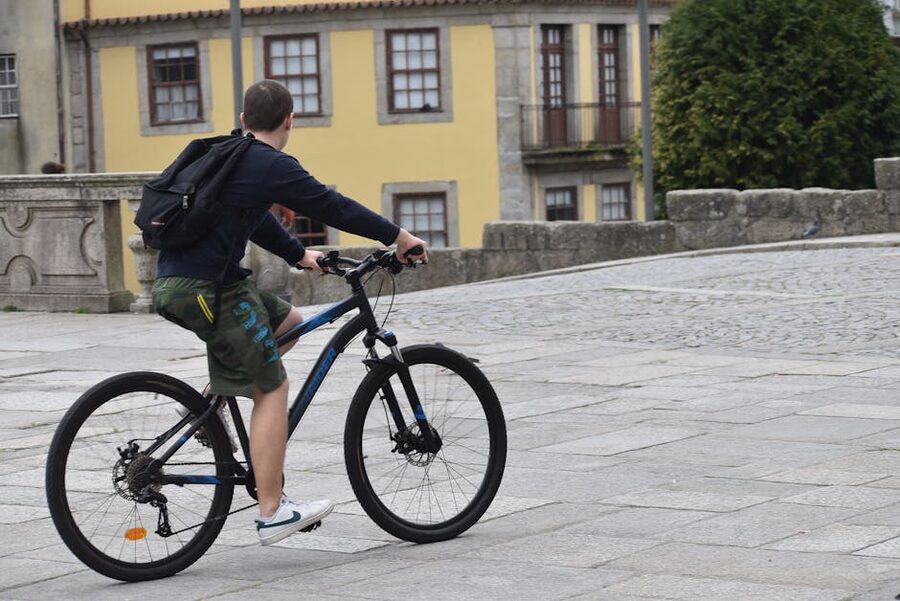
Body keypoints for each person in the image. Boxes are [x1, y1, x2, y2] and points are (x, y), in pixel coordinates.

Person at [151, 79, 428, 546]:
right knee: (272, 385)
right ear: (289, 120)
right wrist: (397, 237)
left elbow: (254, 217)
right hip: (206, 289)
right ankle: (272, 511)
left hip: (189, 282)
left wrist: (300, 255)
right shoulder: (268, 162)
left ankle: (207, 405)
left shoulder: (233, 155)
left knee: (290, 323)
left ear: (243, 120)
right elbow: (329, 204)